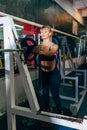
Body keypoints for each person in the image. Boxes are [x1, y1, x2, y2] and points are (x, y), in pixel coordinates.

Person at [33, 25, 62, 114]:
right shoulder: (38, 46)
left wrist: (40, 51)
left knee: (55, 94)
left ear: (50, 33)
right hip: (43, 72)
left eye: (45, 32)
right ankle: (47, 108)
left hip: (53, 73)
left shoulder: (55, 45)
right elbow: (33, 51)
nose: (43, 34)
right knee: (45, 93)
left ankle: (60, 109)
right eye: (41, 32)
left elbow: (50, 53)